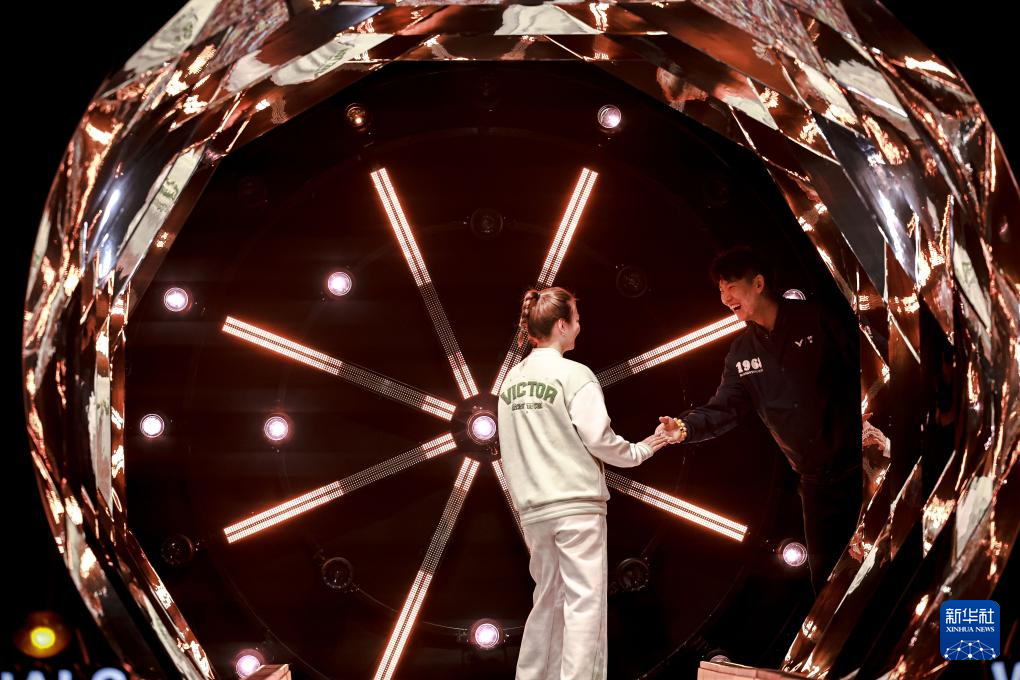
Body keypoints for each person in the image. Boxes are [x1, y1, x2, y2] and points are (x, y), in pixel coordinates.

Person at [658, 247, 862, 594]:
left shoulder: (815, 318)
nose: (725, 298)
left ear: (758, 283)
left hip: (861, 464)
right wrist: (685, 427)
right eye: (721, 290)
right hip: (815, 485)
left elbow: (863, 365)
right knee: (828, 584)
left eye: (731, 287)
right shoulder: (741, 352)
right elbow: (725, 408)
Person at [497, 286, 669, 680]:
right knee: (584, 606)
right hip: (576, 506)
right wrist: (643, 449)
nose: (580, 325)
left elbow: (505, 446)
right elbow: (599, 439)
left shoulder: (510, 382)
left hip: (533, 509)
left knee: (547, 602)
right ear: (561, 325)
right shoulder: (574, 375)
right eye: (576, 318)